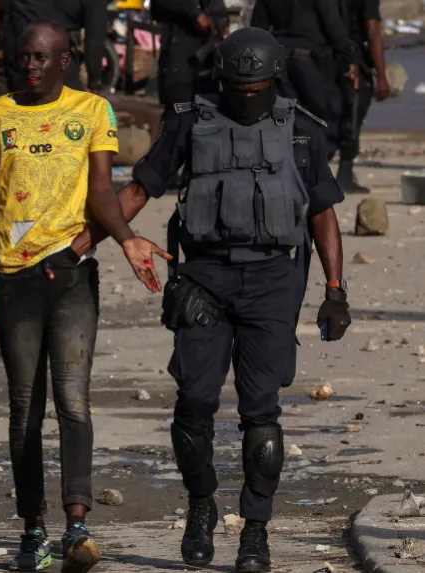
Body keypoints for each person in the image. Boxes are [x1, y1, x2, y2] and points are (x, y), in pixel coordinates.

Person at [68, 27, 352, 573]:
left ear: (274, 80)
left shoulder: (302, 132)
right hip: (201, 279)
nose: (248, 95)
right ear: (223, 79)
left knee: (261, 411)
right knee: (194, 402)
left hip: (272, 282)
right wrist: (77, 246)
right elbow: (138, 190)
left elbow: (322, 213)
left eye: (258, 86)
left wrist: (335, 291)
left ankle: (256, 532)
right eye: (238, 86)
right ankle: (201, 504)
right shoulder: (188, 122)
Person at [0, 21, 169, 573]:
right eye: (23, 58)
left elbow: (102, 191)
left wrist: (128, 240)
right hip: (16, 277)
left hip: (73, 274)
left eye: (40, 58)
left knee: (74, 400)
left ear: (65, 61)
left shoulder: (92, 112)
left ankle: (77, 525)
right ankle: (33, 527)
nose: (30, 66)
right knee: (23, 408)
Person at [251, 0, 359, 157]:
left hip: (279, 61)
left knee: (289, 118)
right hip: (310, 61)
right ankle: (313, 170)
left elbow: (257, 33)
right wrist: (350, 56)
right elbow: (334, 27)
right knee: (329, 115)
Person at [336, 0, 391, 193]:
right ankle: (344, 172)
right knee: (352, 115)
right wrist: (382, 76)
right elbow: (373, 30)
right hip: (353, 60)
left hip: (326, 57)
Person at [1, 0, 107, 93]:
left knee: (21, 103)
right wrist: (95, 83)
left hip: (19, 41)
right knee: (70, 107)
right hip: (53, 51)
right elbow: (94, 39)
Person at [150, 0, 229, 112]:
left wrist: (222, 24)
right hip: (181, 54)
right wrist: (195, 13)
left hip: (207, 56)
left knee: (207, 107)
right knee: (180, 108)